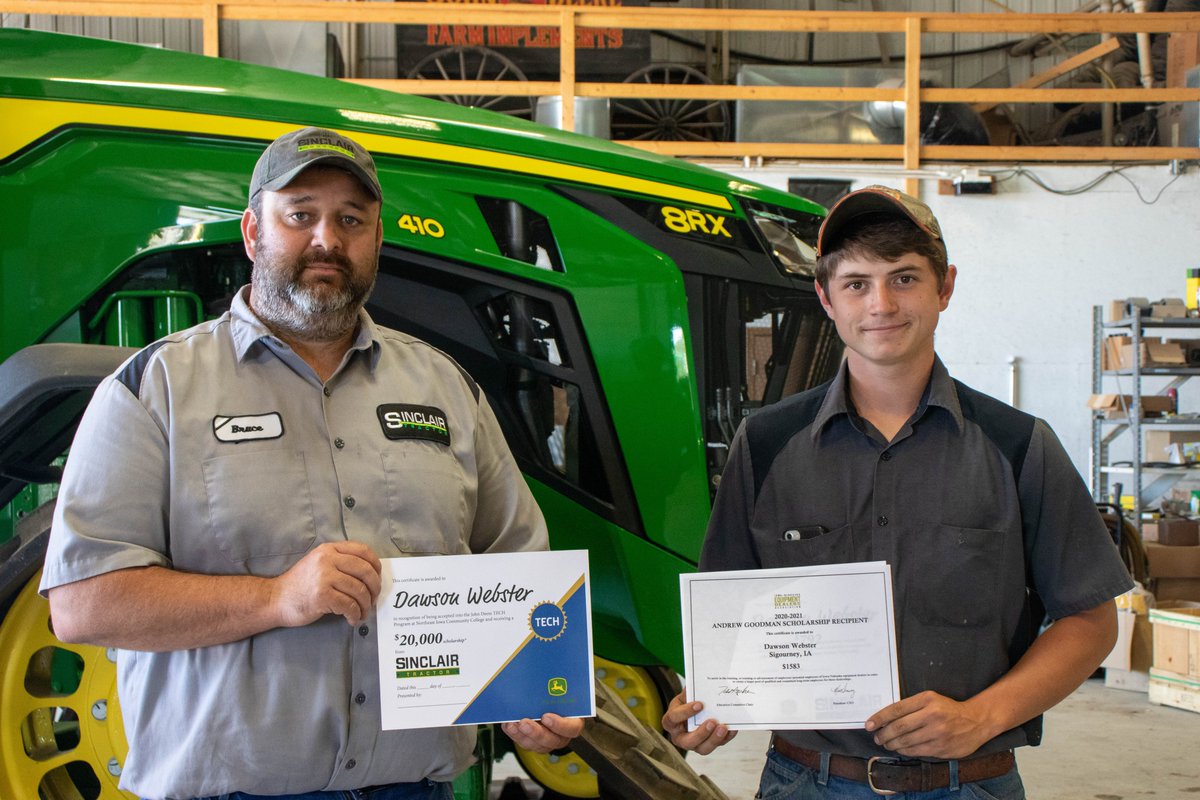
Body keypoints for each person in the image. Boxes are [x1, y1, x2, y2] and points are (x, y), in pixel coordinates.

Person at [40, 127, 582, 800]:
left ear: (377, 240)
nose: (327, 239)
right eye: (300, 215)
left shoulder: (447, 389)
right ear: (252, 232)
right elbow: (84, 605)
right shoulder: (155, 389)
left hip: (414, 787)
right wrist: (276, 598)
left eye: (351, 219)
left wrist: (536, 698)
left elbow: (521, 572)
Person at [662, 185, 1132, 798]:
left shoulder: (1019, 446)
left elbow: (1090, 620)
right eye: (856, 283)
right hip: (807, 782)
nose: (880, 304)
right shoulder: (766, 446)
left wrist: (980, 718)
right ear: (826, 298)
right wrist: (712, 700)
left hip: (970, 783)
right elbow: (729, 617)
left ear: (945, 287)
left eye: (904, 278)